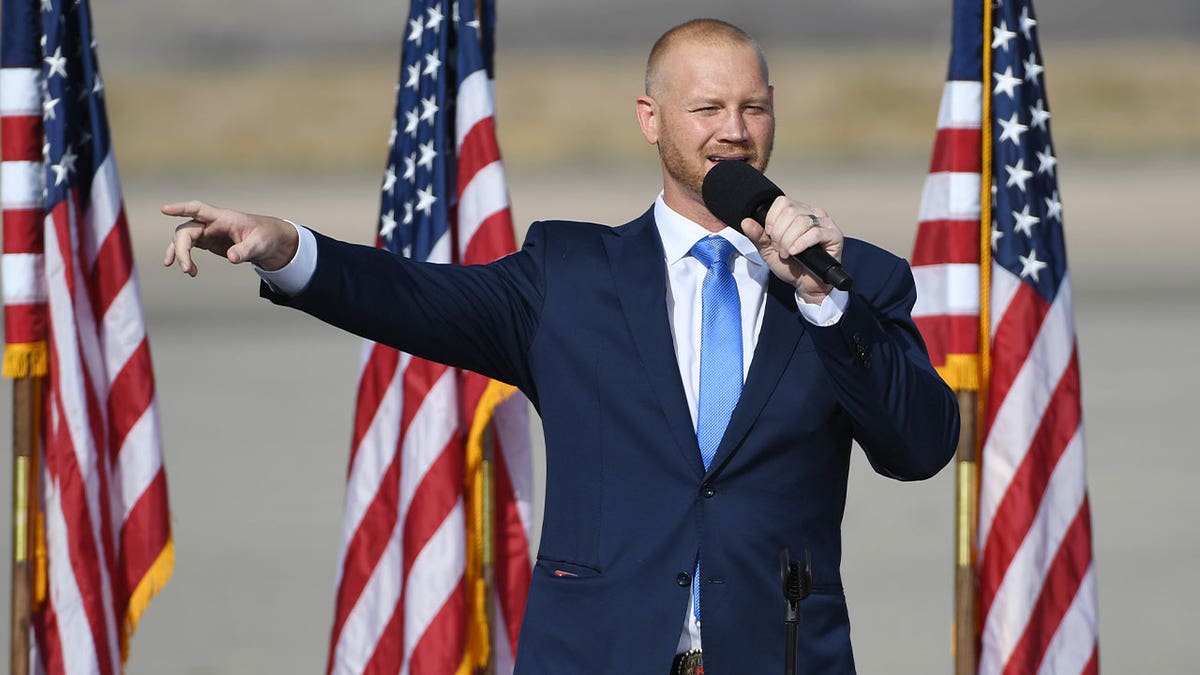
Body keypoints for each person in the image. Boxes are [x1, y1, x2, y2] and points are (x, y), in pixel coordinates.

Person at [164, 18, 958, 675]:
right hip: (597, 653)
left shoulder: (856, 279)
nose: (734, 133)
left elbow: (919, 445)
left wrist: (824, 301)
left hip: (781, 654)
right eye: (707, 108)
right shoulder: (571, 276)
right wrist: (285, 248)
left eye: (753, 108)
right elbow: (413, 298)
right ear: (650, 118)